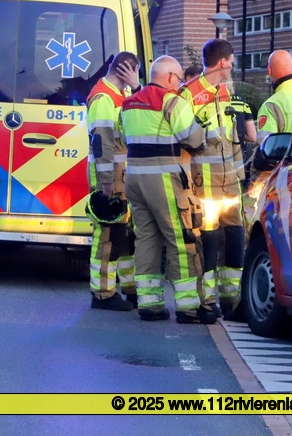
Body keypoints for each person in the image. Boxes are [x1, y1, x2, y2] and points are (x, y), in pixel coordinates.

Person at [119, 55, 216, 324]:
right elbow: (193, 140)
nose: (180, 84)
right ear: (171, 77)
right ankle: (188, 307)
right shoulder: (173, 102)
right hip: (163, 179)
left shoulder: (127, 104)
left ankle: (150, 304)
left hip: (134, 178)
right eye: (179, 79)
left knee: (146, 239)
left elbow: (123, 136)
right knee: (181, 238)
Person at [181, 39, 244, 318]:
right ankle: (206, 300)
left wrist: (241, 176)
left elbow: (234, 140)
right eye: (231, 62)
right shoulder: (188, 94)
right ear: (222, 62)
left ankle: (232, 299)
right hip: (203, 185)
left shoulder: (226, 91)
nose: (232, 67)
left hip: (229, 184)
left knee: (234, 238)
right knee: (208, 241)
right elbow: (181, 143)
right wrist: (185, 184)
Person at [86, 52, 141, 311]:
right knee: (108, 235)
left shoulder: (119, 95)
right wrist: (106, 181)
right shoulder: (103, 98)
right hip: (110, 176)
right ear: (126, 71)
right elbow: (102, 142)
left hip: (121, 174)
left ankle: (130, 288)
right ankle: (102, 293)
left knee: (124, 235)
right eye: (135, 72)